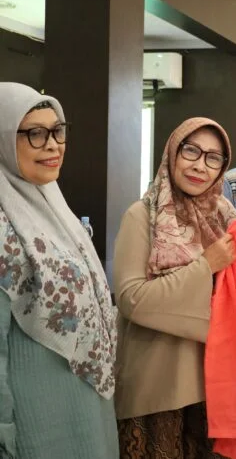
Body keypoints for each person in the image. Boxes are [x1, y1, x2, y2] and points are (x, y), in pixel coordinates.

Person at [0, 82, 118, 458]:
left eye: (58, 131)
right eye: (35, 133)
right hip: (36, 419)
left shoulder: (54, 206)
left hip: (85, 406)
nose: (53, 145)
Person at [113, 117, 236, 458]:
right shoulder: (142, 216)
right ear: (172, 152)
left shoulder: (225, 219)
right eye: (191, 151)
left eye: (213, 158)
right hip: (159, 384)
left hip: (214, 384)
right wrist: (205, 266)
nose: (200, 165)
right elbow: (131, 299)